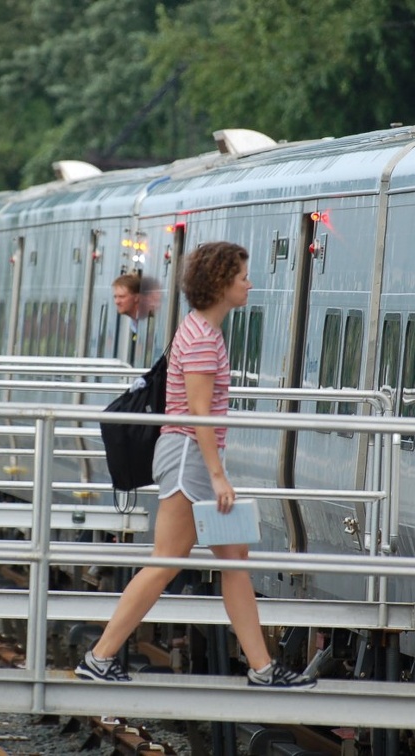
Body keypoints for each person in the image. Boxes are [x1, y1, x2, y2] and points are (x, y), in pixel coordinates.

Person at [75, 241, 315, 687]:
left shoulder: (199, 329)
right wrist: (220, 477)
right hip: (190, 459)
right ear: (222, 283)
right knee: (166, 560)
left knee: (234, 560)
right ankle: (100, 656)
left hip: (192, 457)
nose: (249, 283)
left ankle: (262, 667)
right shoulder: (204, 338)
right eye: (243, 276)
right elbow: (200, 415)